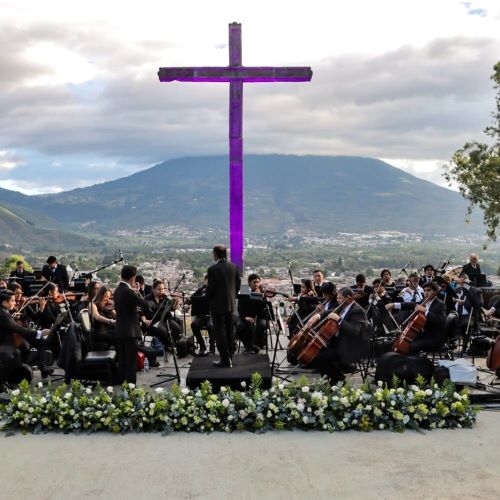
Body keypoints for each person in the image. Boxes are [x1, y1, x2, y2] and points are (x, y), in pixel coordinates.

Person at [304, 287, 369, 383]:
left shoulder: (357, 311)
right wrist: (317, 316)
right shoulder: (343, 307)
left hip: (350, 347)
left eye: (340, 298)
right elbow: (329, 312)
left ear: (349, 298)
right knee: (316, 353)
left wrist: (339, 319)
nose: (337, 300)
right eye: (337, 298)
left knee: (320, 358)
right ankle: (330, 379)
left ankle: (338, 380)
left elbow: (354, 330)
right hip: (338, 343)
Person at [0, 290, 52, 387]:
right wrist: (39, 332)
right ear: (4, 303)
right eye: (12, 301)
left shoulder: (4, 312)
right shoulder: (3, 314)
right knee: (11, 356)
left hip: (5, 342)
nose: (15, 303)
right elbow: (18, 329)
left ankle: (7, 380)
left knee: (17, 353)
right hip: (3, 343)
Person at [113, 265, 151, 383]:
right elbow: (145, 304)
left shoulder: (117, 290)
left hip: (120, 330)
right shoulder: (128, 292)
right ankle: (131, 388)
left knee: (123, 361)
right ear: (133, 278)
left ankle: (123, 386)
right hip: (130, 331)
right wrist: (138, 292)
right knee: (130, 363)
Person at [385, 282, 446, 355]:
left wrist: (426, 311)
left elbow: (439, 321)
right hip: (424, 335)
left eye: (429, 290)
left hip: (434, 338)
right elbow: (411, 304)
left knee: (412, 346)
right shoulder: (424, 301)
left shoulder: (441, 304)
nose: (426, 293)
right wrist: (394, 305)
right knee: (399, 341)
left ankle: (414, 364)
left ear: (435, 292)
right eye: (425, 290)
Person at [206, 245, 241, 368]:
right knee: (230, 331)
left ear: (215, 254)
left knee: (220, 333)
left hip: (217, 306)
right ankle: (230, 356)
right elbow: (237, 286)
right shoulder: (234, 267)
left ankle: (225, 359)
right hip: (231, 305)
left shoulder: (212, 269)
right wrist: (231, 297)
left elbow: (211, 289)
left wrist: (207, 293)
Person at [236, 273, 267, 354]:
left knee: (262, 325)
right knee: (239, 326)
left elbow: (263, 308)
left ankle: (255, 345)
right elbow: (240, 307)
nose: (256, 284)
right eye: (254, 282)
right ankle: (248, 346)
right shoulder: (244, 291)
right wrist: (245, 317)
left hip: (259, 317)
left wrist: (258, 296)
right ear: (249, 283)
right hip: (246, 316)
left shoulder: (262, 292)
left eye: (258, 282)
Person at [190, 275, 215, 356]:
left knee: (210, 326)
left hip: (211, 316)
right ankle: (202, 346)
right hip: (201, 316)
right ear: (205, 281)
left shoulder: (215, 290)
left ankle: (212, 348)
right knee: (194, 325)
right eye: (207, 280)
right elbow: (192, 298)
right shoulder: (201, 290)